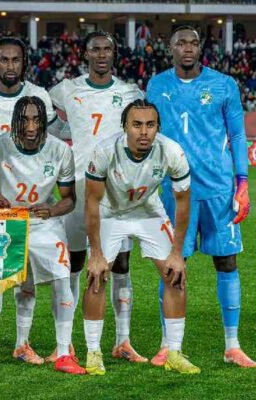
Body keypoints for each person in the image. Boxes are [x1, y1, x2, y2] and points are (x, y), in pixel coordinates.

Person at [147, 26, 253, 368]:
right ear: (171, 48)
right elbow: (150, 134)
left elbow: (237, 135)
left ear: (200, 47)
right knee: (172, 266)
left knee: (227, 262)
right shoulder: (157, 85)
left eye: (193, 42)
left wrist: (242, 183)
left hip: (219, 189)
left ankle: (232, 345)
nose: (188, 48)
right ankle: (167, 345)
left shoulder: (224, 85)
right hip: (174, 191)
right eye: (181, 43)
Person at [0, 36, 63, 365]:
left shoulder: (40, 96)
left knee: (25, 279)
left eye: (15, 59)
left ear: (24, 63)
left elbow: (50, 142)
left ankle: (22, 343)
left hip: (25, 203)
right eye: (3, 59)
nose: (9, 65)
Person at [48, 31, 146, 363]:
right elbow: (49, 119)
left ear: (114, 54)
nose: (102, 55)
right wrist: (68, 136)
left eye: (107, 49)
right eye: (95, 49)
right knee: (73, 263)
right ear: (85, 54)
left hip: (115, 191)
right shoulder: (66, 89)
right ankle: (65, 343)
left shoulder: (130, 92)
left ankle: (123, 340)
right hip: (77, 187)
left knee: (120, 264)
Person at [82, 99, 199, 375]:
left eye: (150, 125)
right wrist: (96, 254)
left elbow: (183, 203)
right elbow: (91, 202)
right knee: (97, 276)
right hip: (110, 213)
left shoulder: (172, 151)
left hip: (148, 212)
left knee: (175, 274)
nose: (144, 132)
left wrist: (177, 253)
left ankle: (174, 352)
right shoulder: (104, 151)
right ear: (125, 126)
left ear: (158, 127)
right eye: (137, 125)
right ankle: (93, 352)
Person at [0, 96, 82, 376]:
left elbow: (69, 199)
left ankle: (64, 353)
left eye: (36, 120)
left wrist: (52, 209)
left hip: (45, 223)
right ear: (14, 121)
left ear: (44, 122)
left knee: (62, 281)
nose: (31, 127)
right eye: (24, 120)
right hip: (6, 222)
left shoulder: (60, 150)